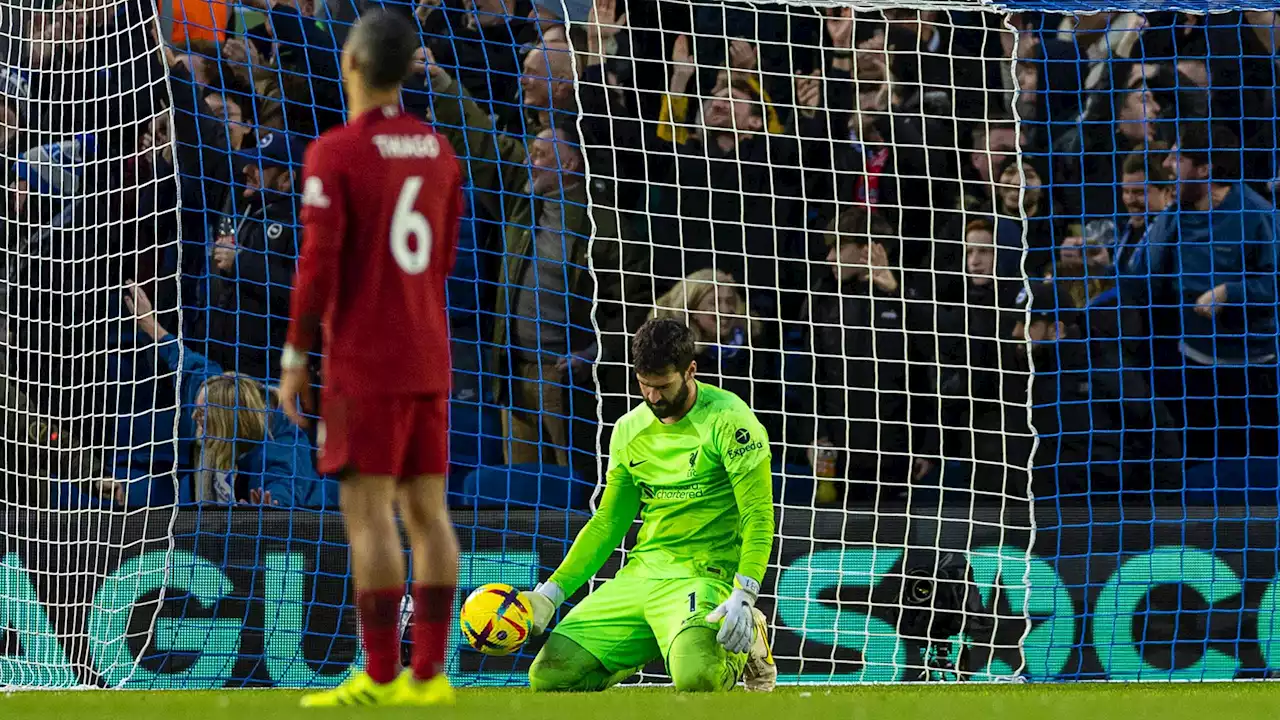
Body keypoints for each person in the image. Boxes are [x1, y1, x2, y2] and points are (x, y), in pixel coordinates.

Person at [275, 9, 463, 708]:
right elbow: (443, 259)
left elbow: (317, 267)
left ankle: (382, 676)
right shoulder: (441, 151)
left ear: (351, 63)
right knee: (429, 514)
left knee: (369, 517)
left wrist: (297, 354)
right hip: (428, 353)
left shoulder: (334, 152)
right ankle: (432, 676)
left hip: (365, 360)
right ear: (410, 68)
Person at [519, 318, 777, 693]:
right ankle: (659, 639)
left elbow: (758, 514)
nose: (653, 397)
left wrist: (745, 590)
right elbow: (608, 521)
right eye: (644, 385)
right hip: (642, 576)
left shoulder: (730, 421)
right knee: (550, 676)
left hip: (704, 576)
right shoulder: (628, 429)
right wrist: (550, 593)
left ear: (690, 370)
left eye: (663, 386)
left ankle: (748, 633)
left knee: (698, 679)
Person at [123, 284, 332, 508]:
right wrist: (149, 323)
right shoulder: (211, 389)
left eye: (203, 413)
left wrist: (270, 507)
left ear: (225, 419)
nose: (194, 416)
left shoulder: (278, 435)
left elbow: (282, 483)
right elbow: (185, 362)